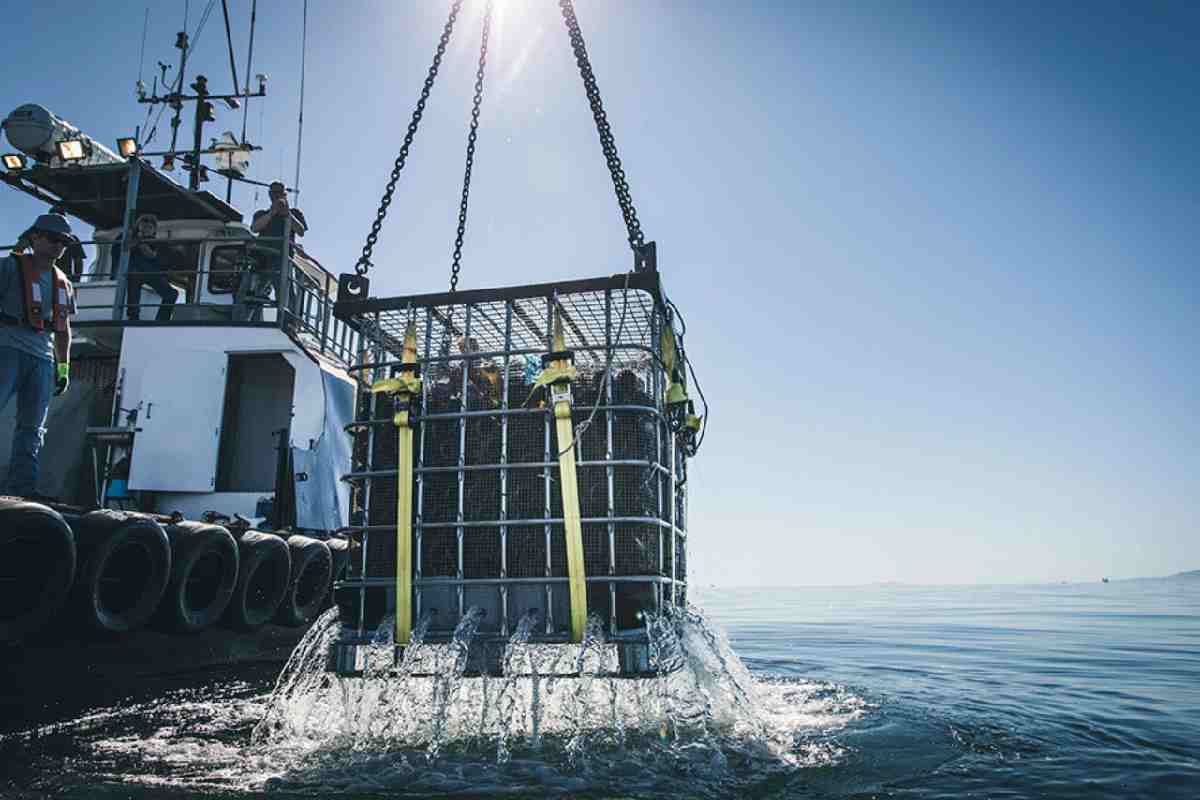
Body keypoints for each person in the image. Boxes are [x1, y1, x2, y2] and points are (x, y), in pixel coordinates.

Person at [0, 213, 77, 497]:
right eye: (54, 239)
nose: (59, 245)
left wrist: (63, 368)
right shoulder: (8, 268)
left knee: (33, 428)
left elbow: (64, 330)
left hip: (42, 358)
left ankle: (22, 488)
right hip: (6, 348)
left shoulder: (64, 283)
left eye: (65, 242)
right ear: (35, 237)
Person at [237, 181, 307, 322]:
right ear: (269, 195)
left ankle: (288, 322)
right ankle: (245, 320)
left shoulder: (295, 213)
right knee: (254, 292)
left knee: (284, 293)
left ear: (285, 195)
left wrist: (287, 214)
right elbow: (255, 228)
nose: (276, 196)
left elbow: (301, 231)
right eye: (273, 193)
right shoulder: (261, 213)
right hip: (262, 259)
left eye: (279, 193)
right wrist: (272, 213)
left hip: (281, 259)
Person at [111, 214, 179, 321]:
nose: (147, 229)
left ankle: (162, 320)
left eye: (150, 227)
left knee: (172, 294)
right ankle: (133, 316)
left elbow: (154, 256)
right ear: (138, 227)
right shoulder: (126, 236)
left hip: (151, 272)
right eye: (144, 226)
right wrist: (136, 240)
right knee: (135, 277)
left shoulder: (155, 242)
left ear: (154, 230)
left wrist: (143, 244)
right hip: (133, 271)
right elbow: (120, 250)